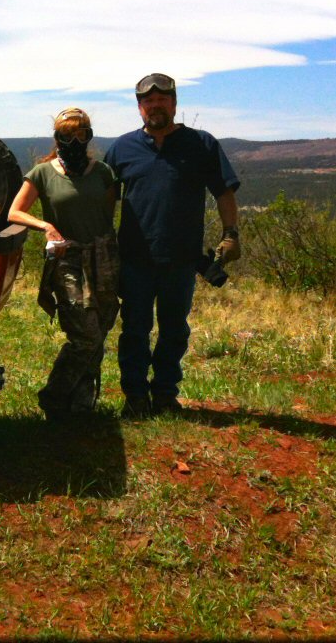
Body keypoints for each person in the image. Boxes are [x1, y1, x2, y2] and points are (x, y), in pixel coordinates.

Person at [104, 73, 241, 418]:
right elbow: (106, 200)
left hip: (181, 260)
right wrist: (101, 243)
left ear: (174, 104)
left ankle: (164, 394)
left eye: (162, 101)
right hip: (134, 259)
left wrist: (231, 234)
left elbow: (223, 192)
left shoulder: (202, 144)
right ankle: (135, 395)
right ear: (139, 108)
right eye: (148, 102)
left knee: (174, 330)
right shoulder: (121, 149)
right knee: (135, 330)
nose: (155, 106)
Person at [8, 107, 120, 422]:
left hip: (103, 257)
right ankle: (54, 396)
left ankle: (82, 402)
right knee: (86, 335)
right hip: (67, 258)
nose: (73, 140)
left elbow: (107, 215)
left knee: (101, 326)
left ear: (88, 136)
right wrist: (44, 226)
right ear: (57, 137)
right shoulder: (42, 172)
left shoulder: (103, 173)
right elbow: (14, 212)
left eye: (80, 134)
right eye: (66, 135)